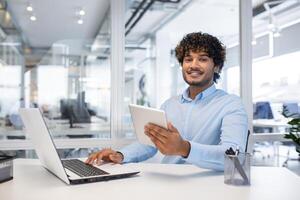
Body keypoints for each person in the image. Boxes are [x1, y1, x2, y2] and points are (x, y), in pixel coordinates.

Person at [86, 32, 248, 171]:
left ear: (217, 67)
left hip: (207, 187)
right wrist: (120, 155)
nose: (193, 65)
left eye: (203, 59)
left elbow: (233, 155)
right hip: (169, 182)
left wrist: (185, 148)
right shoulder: (170, 105)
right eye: (188, 59)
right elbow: (149, 144)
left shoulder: (231, 104)